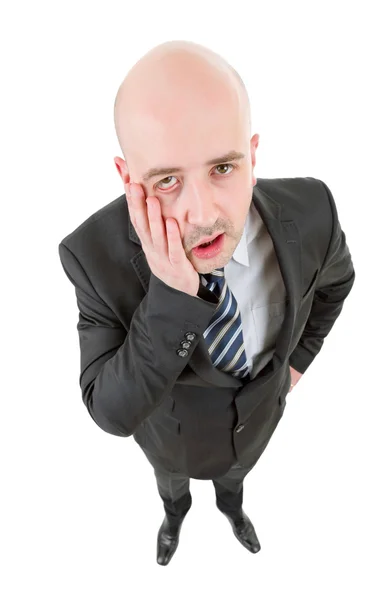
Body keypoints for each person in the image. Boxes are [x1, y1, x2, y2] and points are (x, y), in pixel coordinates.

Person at [58, 40, 356, 566]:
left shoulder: (314, 211)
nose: (203, 212)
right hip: (169, 437)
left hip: (260, 423)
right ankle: (173, 518)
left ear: (253, 153)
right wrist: (172, 295)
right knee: (171, 488)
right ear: (128, 180)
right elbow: (108, 407)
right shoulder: (92, 257)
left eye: (223, 168)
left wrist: (295, 368)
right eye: (167, 180)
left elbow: (335, 286)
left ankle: (233, 508)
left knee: (234, 482)